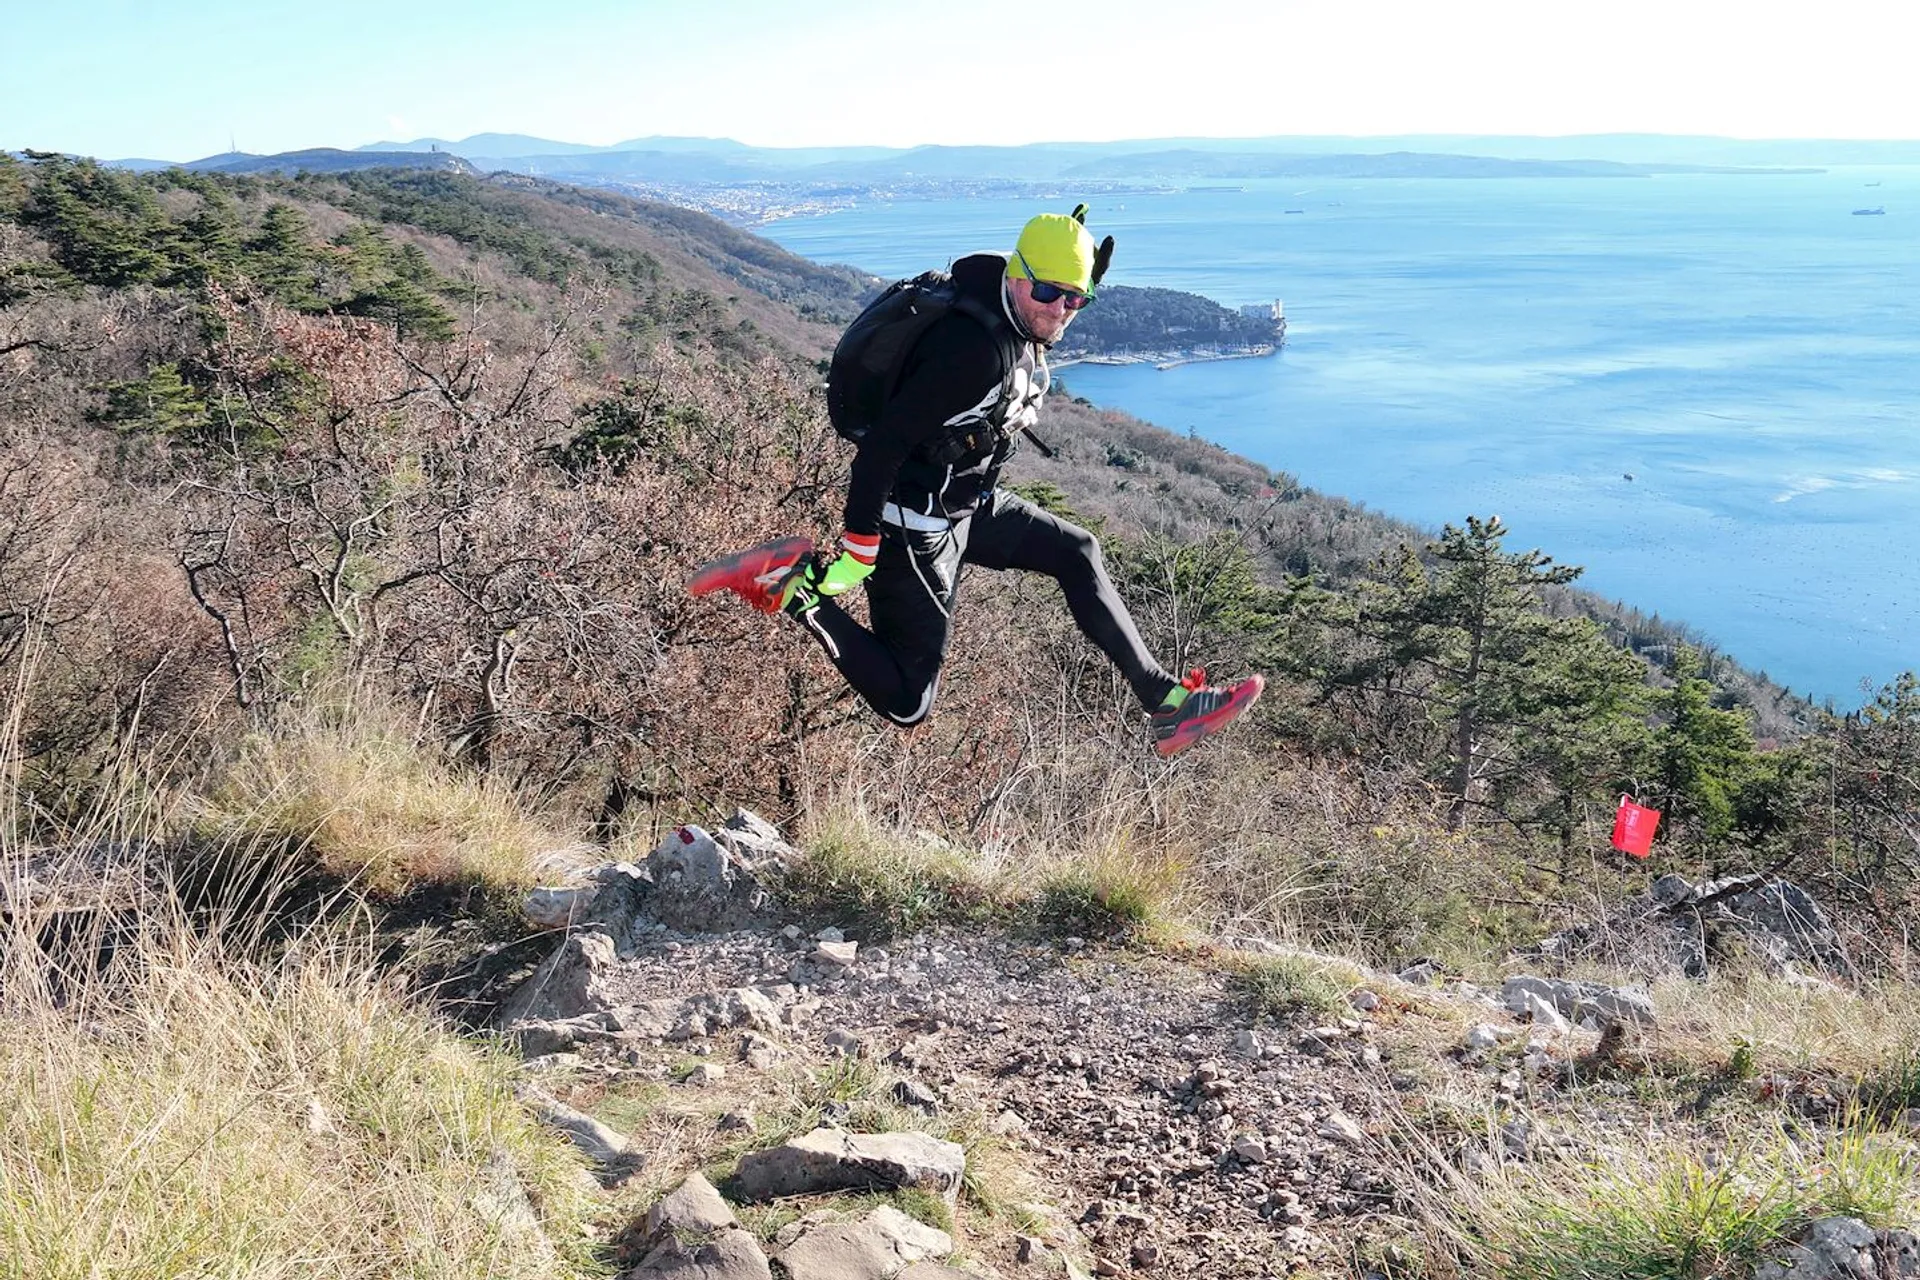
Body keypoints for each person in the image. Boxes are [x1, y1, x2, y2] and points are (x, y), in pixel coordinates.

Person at [688, 206, 1262, 757]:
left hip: (965, 500)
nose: (1060, 309)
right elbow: (881, 449)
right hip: (913, 520)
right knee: (909, 702)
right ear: (1017, 277)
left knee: (1077, 551)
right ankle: (791, 585)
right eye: (1047, 292)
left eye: (1076, 298)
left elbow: (1052, 272)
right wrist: (860, 546)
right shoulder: (971, 353)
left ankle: (1167, 702)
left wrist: (1078, 255)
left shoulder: (1014, 308)